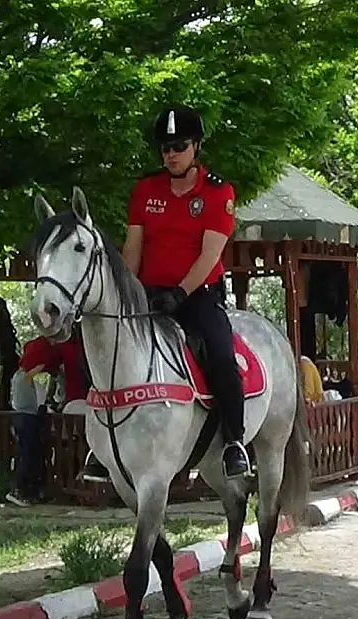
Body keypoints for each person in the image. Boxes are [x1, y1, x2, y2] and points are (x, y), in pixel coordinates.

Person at [78, 104, 249, 482]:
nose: (171, 154)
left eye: (179, 146)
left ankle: (235, 442)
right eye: (166, 148)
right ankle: (102, 445)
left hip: (198, 295)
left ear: (196, 146)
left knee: (221, 356)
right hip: (148, 296)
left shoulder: (218, 192)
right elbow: (133, 249)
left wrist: (181, 293)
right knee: (102, 351)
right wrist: (125, 294)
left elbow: (210, 254)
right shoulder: (146, 189)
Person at [5, 336, 53, 507]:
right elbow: (37, 369)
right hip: (26, 418)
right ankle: (19, 490)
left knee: (29, 454)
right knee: (27, 455)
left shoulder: (19, 376)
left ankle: (28, 490)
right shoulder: (25, 376)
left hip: (23, 418)